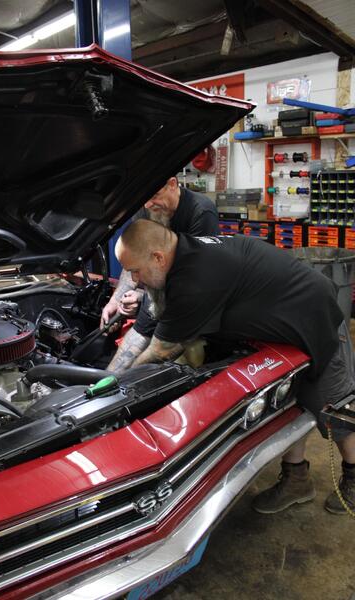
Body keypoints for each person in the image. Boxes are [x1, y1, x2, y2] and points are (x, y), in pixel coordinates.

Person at [110, 218, 355, 515]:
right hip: (277, 330)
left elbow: (160, 351)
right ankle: (297, 481)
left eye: (135, 270)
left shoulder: (194, 279)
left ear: (157, 257)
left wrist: (116, 389)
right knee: (290, 403)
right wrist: (108, 375)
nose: (134, 279)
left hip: (314, 318)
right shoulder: (179, 257)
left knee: (333, 405)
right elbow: (147, 326)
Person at [101, 176, 219, 369]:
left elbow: (192, 283)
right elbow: (135, 258)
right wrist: (116, 300)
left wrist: (142, 298)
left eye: (154, 195)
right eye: (144, 199)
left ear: (172, 184)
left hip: (191, 299)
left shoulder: (200, 212)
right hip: (159, 291)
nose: (148, 204)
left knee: (181, 362)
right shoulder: (145, 208)